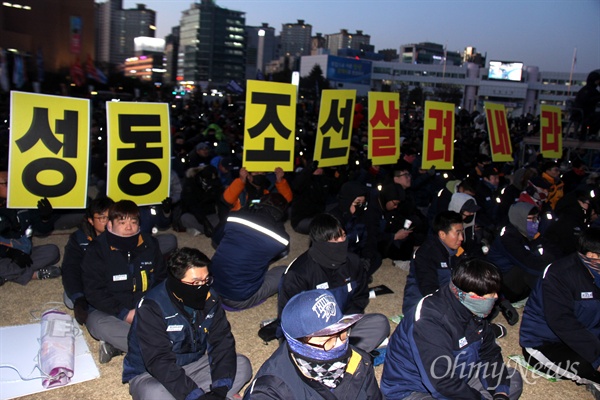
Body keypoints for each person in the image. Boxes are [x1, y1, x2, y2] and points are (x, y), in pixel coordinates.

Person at [381, 258, 523, 400]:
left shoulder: (475, 311)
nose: (496, 297)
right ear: (473, 297)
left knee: (511, 380)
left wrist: (501, 394)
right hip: (413, 390)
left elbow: (489, 354)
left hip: (460, 375)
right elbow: (441, 383)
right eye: (491, 295)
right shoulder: (430, 321)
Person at [123, 247, 252, 400]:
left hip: (193, 365)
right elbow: (158, 360)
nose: (203, 287)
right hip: (152, 374)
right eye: (195, 282)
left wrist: (219, 390)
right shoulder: (152, 307)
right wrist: (195, 396)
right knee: (155, 394)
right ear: (176, 282)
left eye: (206, 280)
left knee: (242, 365)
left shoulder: (210, 299)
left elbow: (222, 343)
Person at [278, 213, 390, 353]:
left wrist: (343, 326)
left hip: (343, 326)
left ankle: (339, 355)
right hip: (313, 335)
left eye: (343, 236)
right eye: (335, 239)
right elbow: (289, 319)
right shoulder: (298, 273)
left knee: (379, 323)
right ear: (321, 242)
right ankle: (339, 356)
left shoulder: (353, 262)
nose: (342, 241)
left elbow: (360, 297)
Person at [244, 289, 383, 399]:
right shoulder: (270, 392)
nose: (340, 345)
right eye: (327, 341)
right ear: (298, 344)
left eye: (342, 333)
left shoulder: (359, 361)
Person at [82, 200, 166, 363]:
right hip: (111, 311)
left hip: (145, 307)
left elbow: (162, 279)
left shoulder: (150, 244)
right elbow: (94, 292)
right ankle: (158, 351)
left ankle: (121, 346)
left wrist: (148, 308)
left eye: (133, 222)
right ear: (110, 225)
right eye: (122, 222)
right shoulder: (96, 250)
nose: (129, 228)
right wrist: (125, 314)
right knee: (97, 323)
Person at [520, 227, 600, 392]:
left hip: (586, 334)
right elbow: (562, 322)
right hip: (546, 342)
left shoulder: (596, 272)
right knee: (589, 365)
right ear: (593, 256)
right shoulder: (559, 274)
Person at [211, 193, 290, 310]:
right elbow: (273, 253)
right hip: (237, 299)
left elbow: (216, 239)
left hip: (211, 285)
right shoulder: (281, 239)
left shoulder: (234, 217)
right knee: (284, 270)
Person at [486, 202, 560, 303]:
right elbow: (528, 264)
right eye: (531, 219)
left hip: (519, 285)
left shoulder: (528, 235)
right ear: (519, 218)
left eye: (537, 218)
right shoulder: (508, 238)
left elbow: (552, 251)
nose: (536, 222)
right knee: (526, 270)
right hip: (502, 287)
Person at [0, 170, 61, 286]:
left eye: (13, 182)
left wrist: (45, 217)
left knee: (53, 252)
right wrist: (9, 252)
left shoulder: (23, 202)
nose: (11, 186)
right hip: (4, 255)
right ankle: (34, 275)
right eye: (6, 183)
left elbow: (43, 230)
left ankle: (6, 275)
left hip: (23, 253)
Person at [62, 197, 114, 323]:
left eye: (110, 217)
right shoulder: (79, 239)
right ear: (91, 220)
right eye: (102, 218)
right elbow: (70, 268)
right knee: (70, 299)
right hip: (89, 281)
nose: (107, 222)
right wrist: (78, 297)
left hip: (114, 280)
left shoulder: (122, 233)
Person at [402, 211, 466, 314]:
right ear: (442, 234)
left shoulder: (459, 252)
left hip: (447, 299)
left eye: (462, 232)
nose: (461, 238)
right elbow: (429, 290)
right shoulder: (425, 253)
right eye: (457, 233)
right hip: (424, 303)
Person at [573, 70, 600, 138]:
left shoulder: (585, 89)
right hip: (584, 114)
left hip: (578, 113)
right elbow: (589, 101)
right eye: (598, 80)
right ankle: (592, 134)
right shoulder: (591, 90)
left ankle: (591, 134)